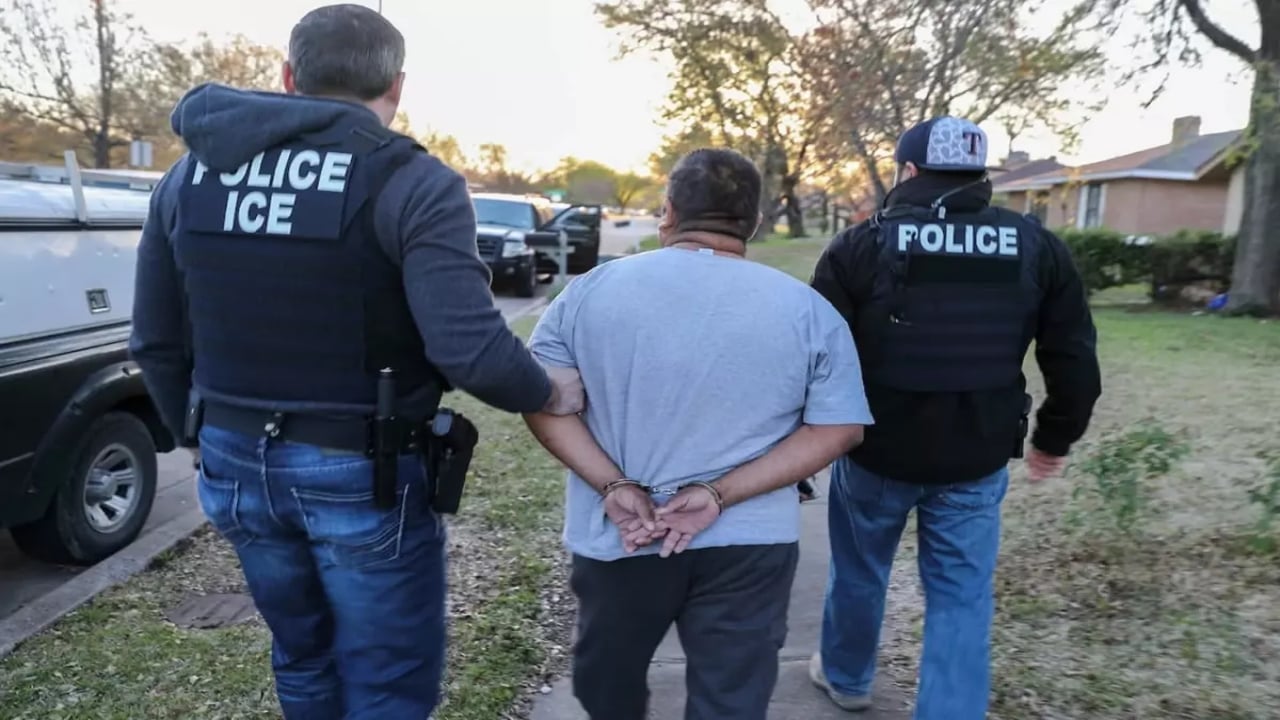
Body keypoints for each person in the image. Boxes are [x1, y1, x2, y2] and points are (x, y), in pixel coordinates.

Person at [128, 5, 583, 719]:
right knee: (388, 679)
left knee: (303, 654)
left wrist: (199, 434)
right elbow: (468, 349)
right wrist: (549, 391)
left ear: (288, 76)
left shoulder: (190, 177)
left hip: (232, 458)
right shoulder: (413, 181)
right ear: (396, 86)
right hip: (360, 467)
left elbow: (154, 338)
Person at [523, 148, 873, 720]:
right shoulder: (806, 310)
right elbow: (839, 429)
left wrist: (613, 486)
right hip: (751, 542)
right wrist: (718, 494)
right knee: (732, 699)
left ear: (667, 212)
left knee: (607, 688)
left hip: (623, 536)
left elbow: (543, 402)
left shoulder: (588, 292)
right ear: (753, 223)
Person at [807, 116, 1101, 720]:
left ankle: (847, 678)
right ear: (979, 175)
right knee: (961, 598)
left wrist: (807, 443)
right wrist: (1055, 437)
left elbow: (813, 355)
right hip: (977, 455)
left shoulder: (862, 243)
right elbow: (1072, 355)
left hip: (874, 453)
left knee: (860, 573)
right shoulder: (1036, 245)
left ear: (909, 172)